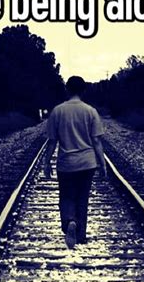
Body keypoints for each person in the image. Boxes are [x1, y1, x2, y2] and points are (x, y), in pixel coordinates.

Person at [44, 75, 107, 249]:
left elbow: (52, 141)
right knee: (82, 198)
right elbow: (96, 141)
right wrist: (102, 164)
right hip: (87, 163)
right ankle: (81, 235)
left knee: (66, 196)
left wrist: (46, 162)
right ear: (83, 91)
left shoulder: (57, 111)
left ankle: (69, 221)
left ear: (67, 89)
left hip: (66, 164)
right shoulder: (90, 111)